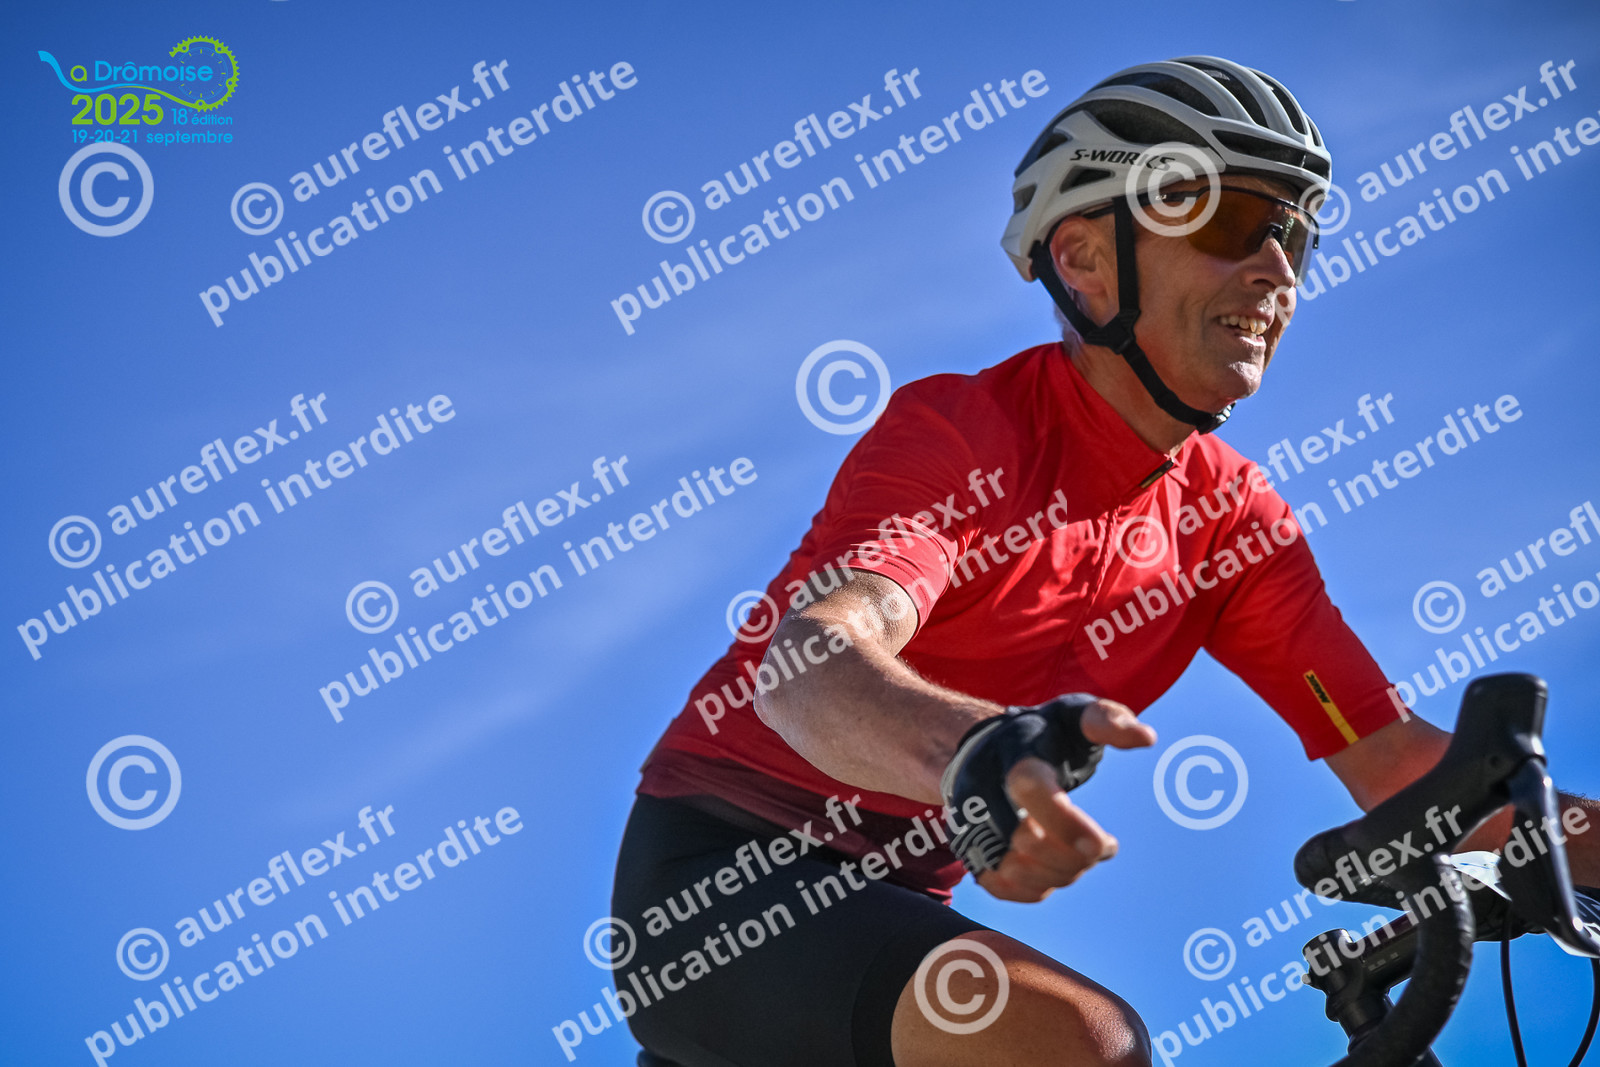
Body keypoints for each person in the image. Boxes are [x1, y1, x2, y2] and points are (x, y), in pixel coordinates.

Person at [611, 55, 1600, 1067]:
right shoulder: (964, 431)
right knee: (1089, 1044)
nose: (1276, 269)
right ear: (1083, 258)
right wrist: (972, 752)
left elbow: (1393, 762)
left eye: (1294, 234)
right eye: (1230, 219)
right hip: (718, 878)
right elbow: (809, 661)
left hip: (896, 912)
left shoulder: (1231, 518)